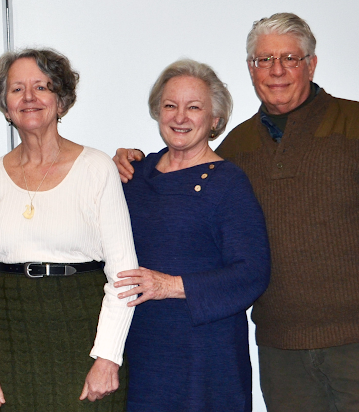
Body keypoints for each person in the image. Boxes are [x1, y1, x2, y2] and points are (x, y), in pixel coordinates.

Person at [114, 13, 359, 412]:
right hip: (281, 350)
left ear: (311, 64)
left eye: (289, 58)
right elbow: (184, 186)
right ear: (251, 69)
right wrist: (127, 160)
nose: (277, 70)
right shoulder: (235, 149)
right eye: (264, 60)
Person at [0, 48, 138, 412]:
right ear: (5, 103)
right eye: (17, 89)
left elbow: (124, 274)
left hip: (83, 333)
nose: (29, 97)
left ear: (61, 100)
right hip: (11, 338)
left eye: (41, 87)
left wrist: (108, 357)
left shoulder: (97, 169)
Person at [114, 59, 270, 411]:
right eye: (170, 106)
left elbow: (253, 272)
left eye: (193, 107)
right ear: (158, 112)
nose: (180, 117)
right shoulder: (134, 175)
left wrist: (169, 285)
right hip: (141, 346)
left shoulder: (228, 182)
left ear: (215, 119)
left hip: (205, 353)